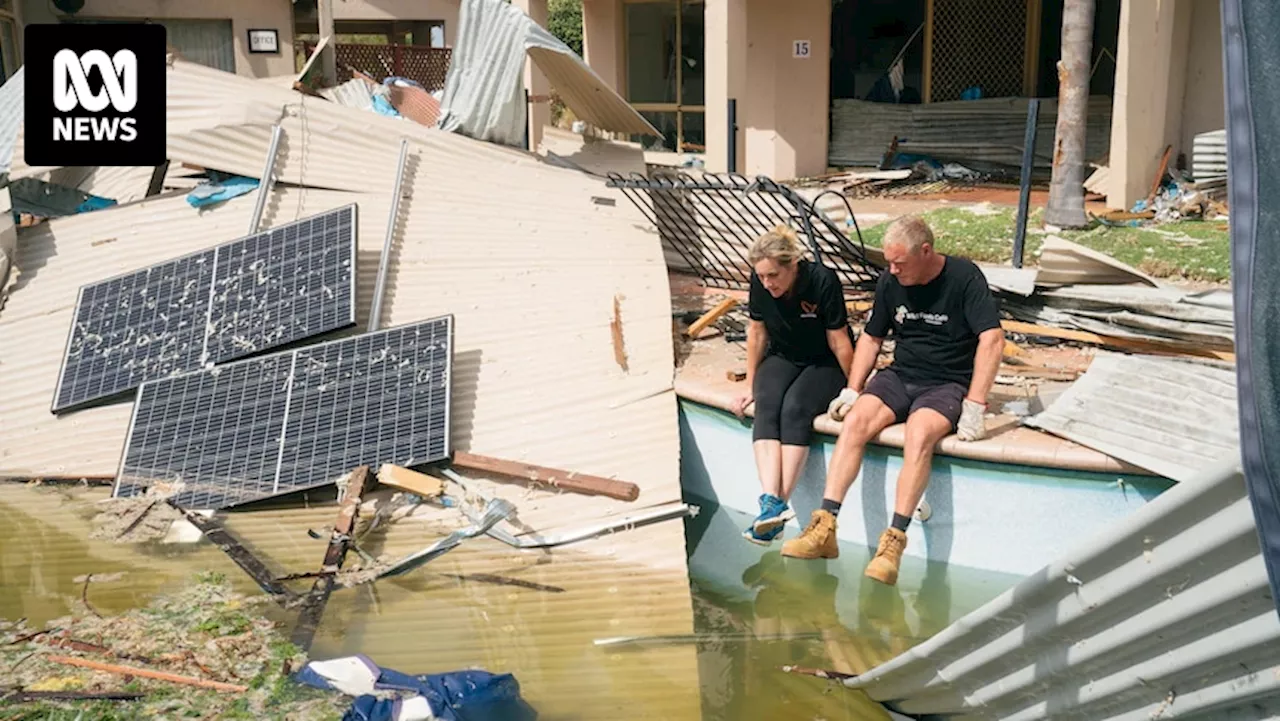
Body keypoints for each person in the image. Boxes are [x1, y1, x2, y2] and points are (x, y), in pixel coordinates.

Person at [779, 215, 1005, 586]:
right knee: (855, 422)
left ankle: (893, 543)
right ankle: (824, 526)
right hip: (901, 376)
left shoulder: (965, 278)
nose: (892, 269)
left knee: (918, 434)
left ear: (926, 252)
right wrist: (853, 389)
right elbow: (870, 339)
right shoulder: (890, 281)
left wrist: (976, 405)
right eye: (889, 261)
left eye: (899, 262)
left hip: (946, 383)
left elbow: (992, 339)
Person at [732, 225, 854, 545]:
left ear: (792, 266)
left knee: (796, 407)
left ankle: (773, 512)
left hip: (824, 360)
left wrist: (855, 387)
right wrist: (750, 383)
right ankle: (771, 503)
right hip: (784, 354)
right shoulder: (760, 283)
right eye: (762, 276)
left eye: (774, 275)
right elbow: (757, 333)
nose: (768, 283)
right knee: (767, 402)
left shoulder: (822, 281)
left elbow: (838, 339)